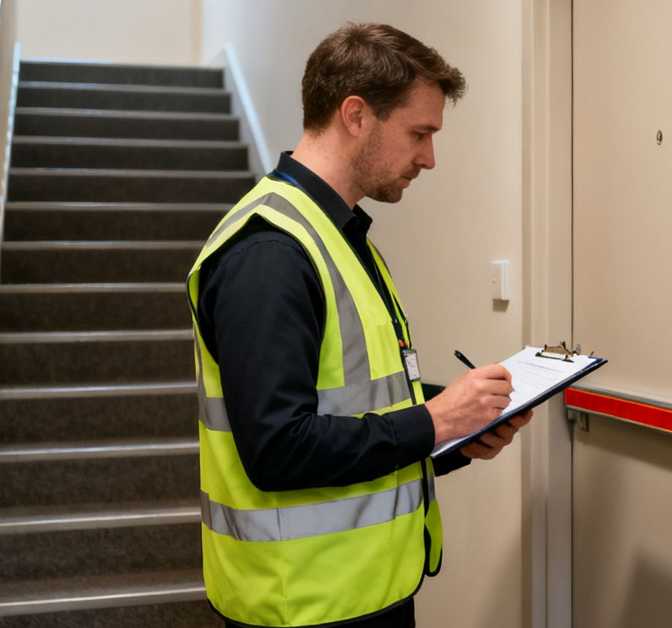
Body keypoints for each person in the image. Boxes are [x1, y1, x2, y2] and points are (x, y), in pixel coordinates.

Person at [185, 23, 530, 628]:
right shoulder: (270, 253)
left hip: (364, 593)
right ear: (355, 115)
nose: (429, 157)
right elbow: (277, 449)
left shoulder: (339, 237)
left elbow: (358, 409)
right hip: (303, 605)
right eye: (418, 133)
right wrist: (435, 420)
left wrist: (454, 432)